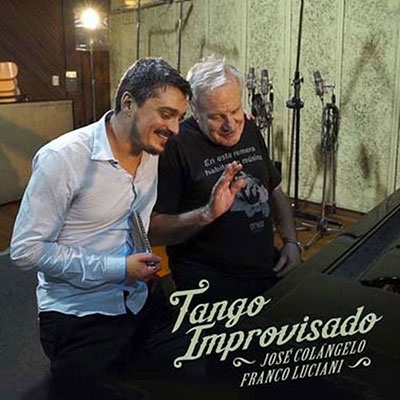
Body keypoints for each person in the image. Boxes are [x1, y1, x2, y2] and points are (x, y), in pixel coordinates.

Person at [10, 58, 192, 399]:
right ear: (128, 103)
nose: (175, 128)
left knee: (202, 373)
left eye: (179, 117)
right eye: (166, 114)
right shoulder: (62, 158)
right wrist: (117, 268)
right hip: (79, 315)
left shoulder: (151, 150)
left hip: (140, 298)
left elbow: (133, 219)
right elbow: (25, 250)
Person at [149, 57, 301, 305]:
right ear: (194, 111)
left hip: (264, 268)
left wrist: (292, 242)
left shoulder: (249, 129)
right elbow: (153, 231)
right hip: (209, 278)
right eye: (217, 116)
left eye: (234, 111)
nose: (230, 124)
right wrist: (206, 214)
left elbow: (275, 191)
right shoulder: (175, 146)